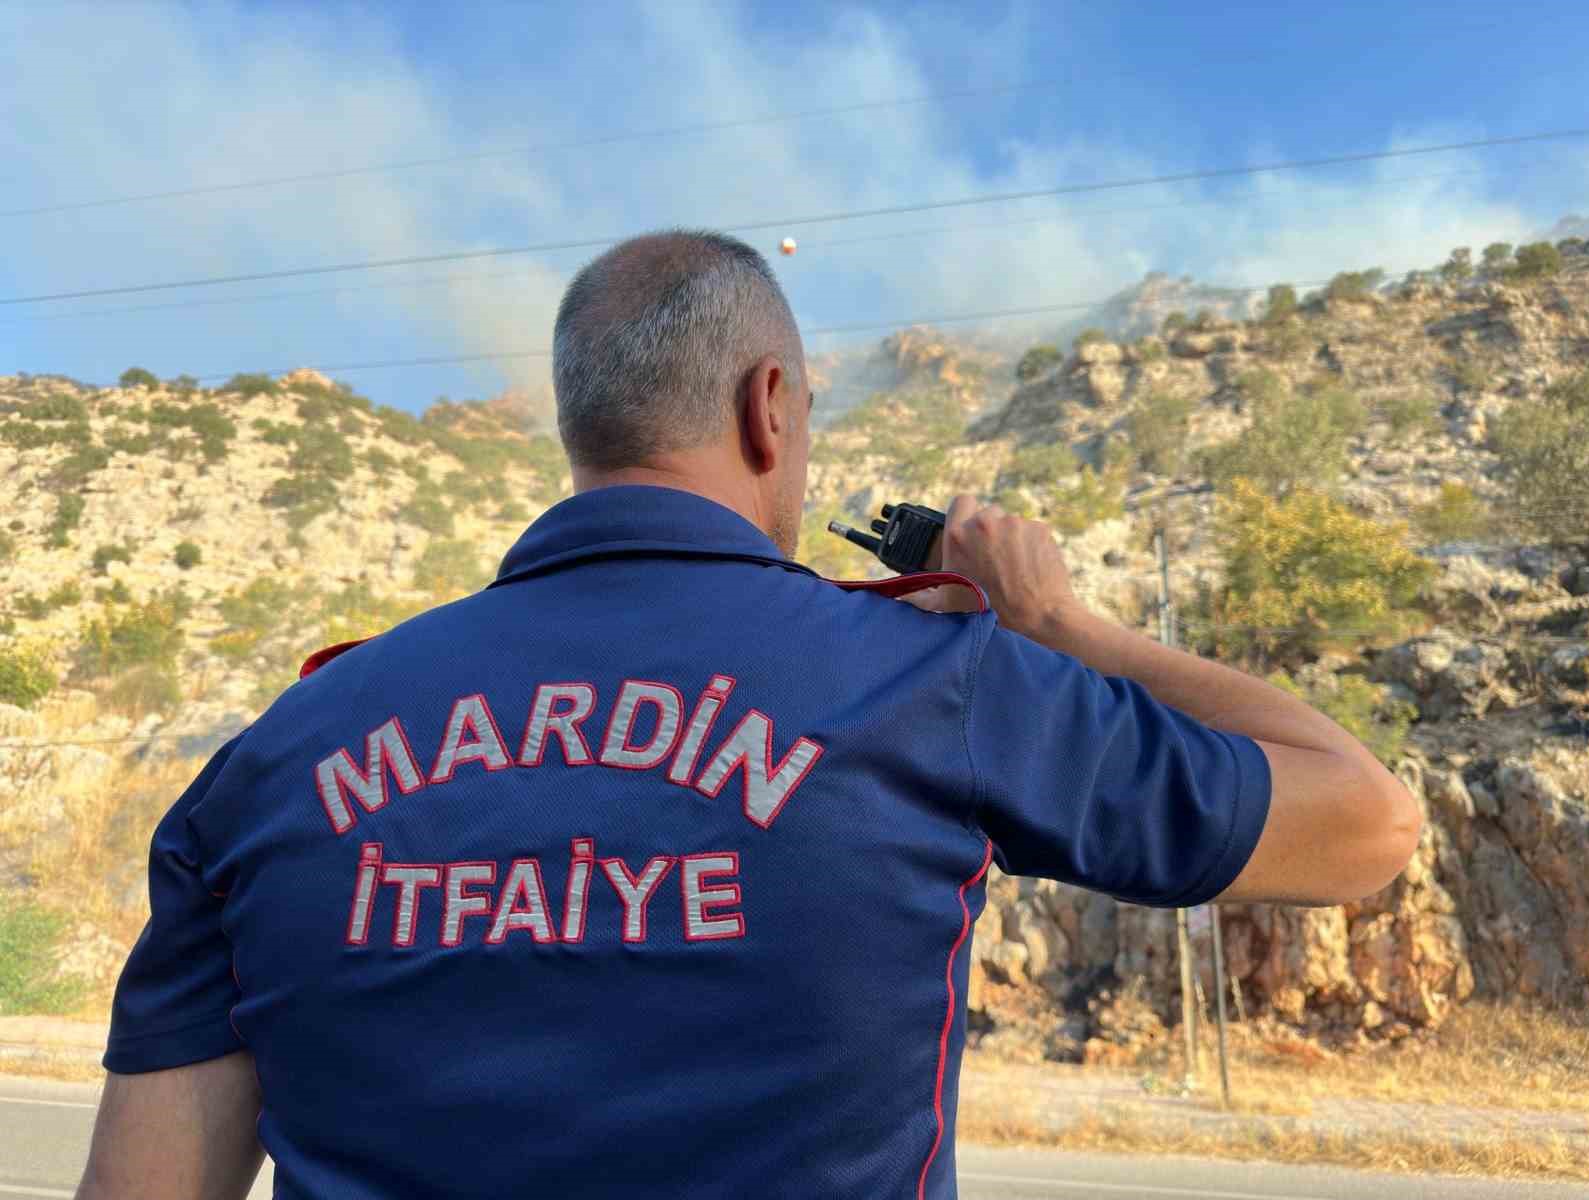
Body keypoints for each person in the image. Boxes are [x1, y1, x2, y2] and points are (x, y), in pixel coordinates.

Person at [75, 229, 1420, 1200]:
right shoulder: (931, 682)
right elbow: (1364, 823)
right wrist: (1067, 627)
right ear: (769, 412)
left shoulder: (279, 755)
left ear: (577, 426)